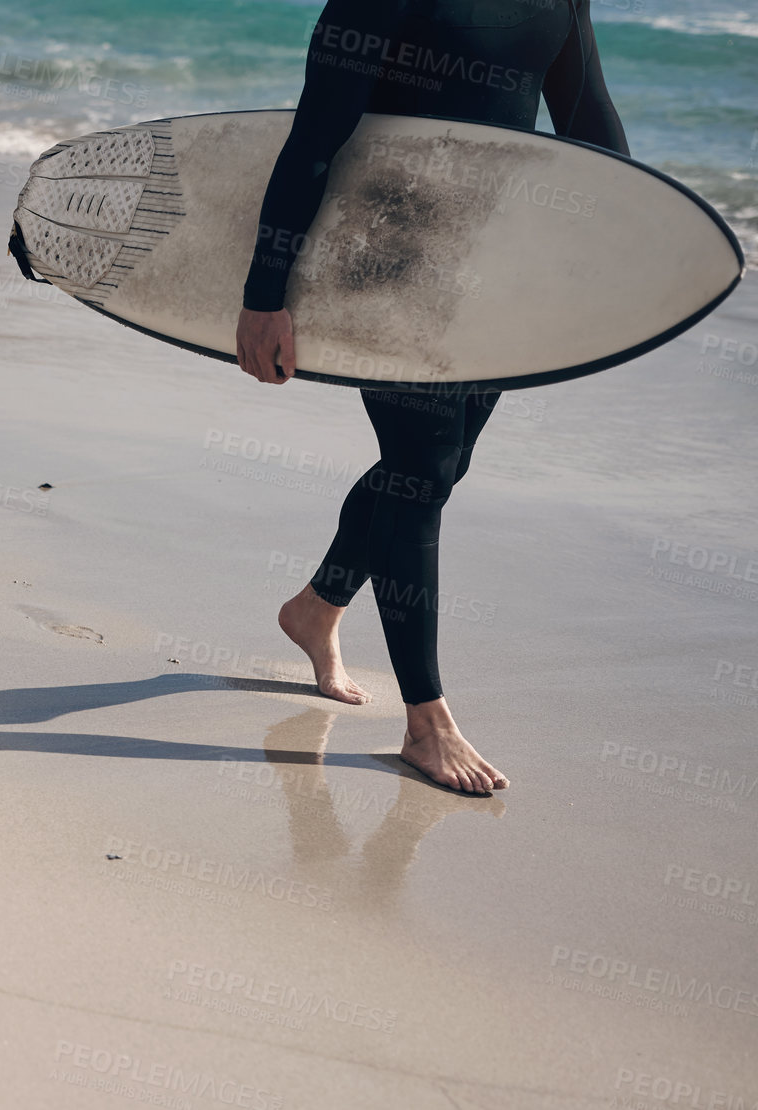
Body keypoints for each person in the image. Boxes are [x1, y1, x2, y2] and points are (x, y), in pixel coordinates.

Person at [233, 0, 627, 794]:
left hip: (496, 264)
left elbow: (593, 134)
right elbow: (317, 137)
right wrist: (265, 293)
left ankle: (315, 609)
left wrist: (625, 265)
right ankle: (426, 723)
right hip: (383, 259)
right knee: (418, 469)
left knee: (439, 467)